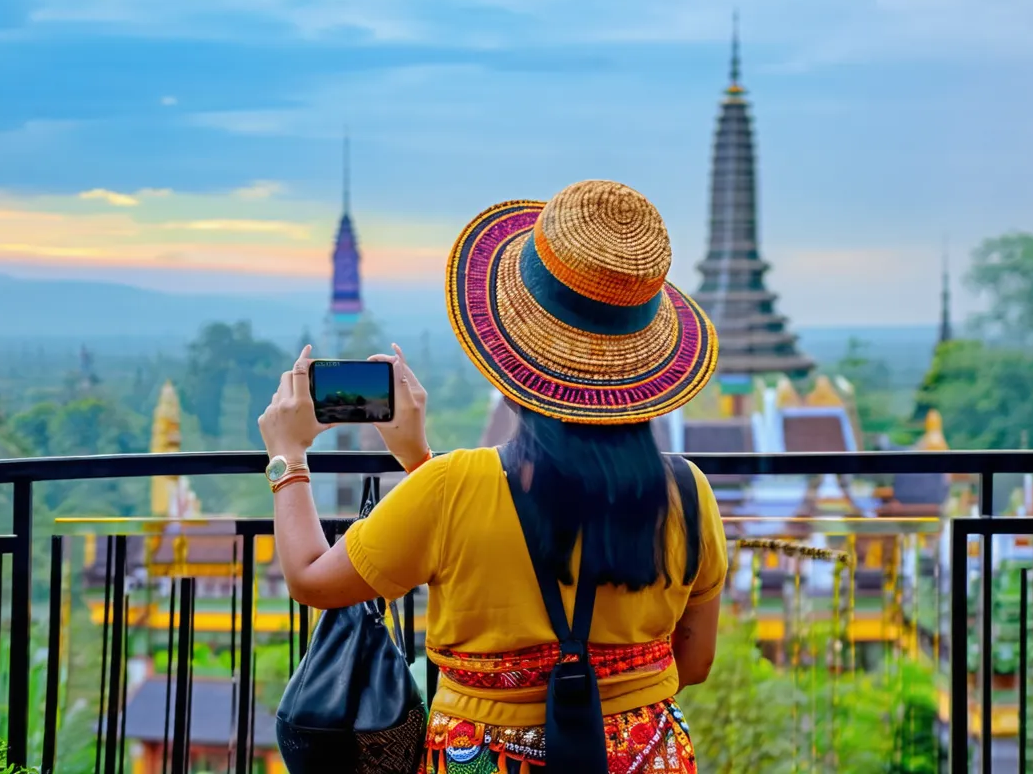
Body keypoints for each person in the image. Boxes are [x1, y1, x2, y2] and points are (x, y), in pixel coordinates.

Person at [260, 180, 727, 773]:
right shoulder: (687, 493)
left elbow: (309, 580)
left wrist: (288, 457)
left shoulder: (452, 488)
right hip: (643, 756)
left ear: (511, 365)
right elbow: (696, 662)